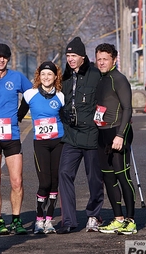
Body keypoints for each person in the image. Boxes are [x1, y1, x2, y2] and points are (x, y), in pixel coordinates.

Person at [0, 43, 32, 235]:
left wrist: (20, 115)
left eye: (5, 57)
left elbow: (30, 96)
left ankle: (17, 220)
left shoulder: (17, 77)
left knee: (17, 181)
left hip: (12, 135)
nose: (2, 59)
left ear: (9, 59)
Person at [56, 37, 104, 234]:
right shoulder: (65, 76)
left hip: (92, 135)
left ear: (83, 57)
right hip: (72, 136)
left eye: (74, 55)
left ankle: (93, 215)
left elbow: (107, 98)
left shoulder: (95, 74)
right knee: (64, 173)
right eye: (68, 56)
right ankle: (68, 220)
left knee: (94, 178)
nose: (70, 59)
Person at [94, 43, 136, 235]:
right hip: (103, 133)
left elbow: (127, 108)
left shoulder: (118, 79)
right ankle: (118, 219)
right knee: (108, 176)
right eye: (99, 59)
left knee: (122, 176)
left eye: (105, 59)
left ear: (114, 59)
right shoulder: (101, 79)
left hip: (118, 132)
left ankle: (131, 220)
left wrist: (120, 135)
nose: (101, 62)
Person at [23, 61, 64, 234]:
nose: (46, 77)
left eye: (50, 74)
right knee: (44, 182)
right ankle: (38, 219)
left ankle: (49, 219)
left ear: (56, 77)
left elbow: (67, 118)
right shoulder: (29, 94)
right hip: (40, 143)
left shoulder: (61, 96)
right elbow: (17, 115)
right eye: (43, 74)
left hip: (58, 142)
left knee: (55, 182)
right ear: (39, 76)